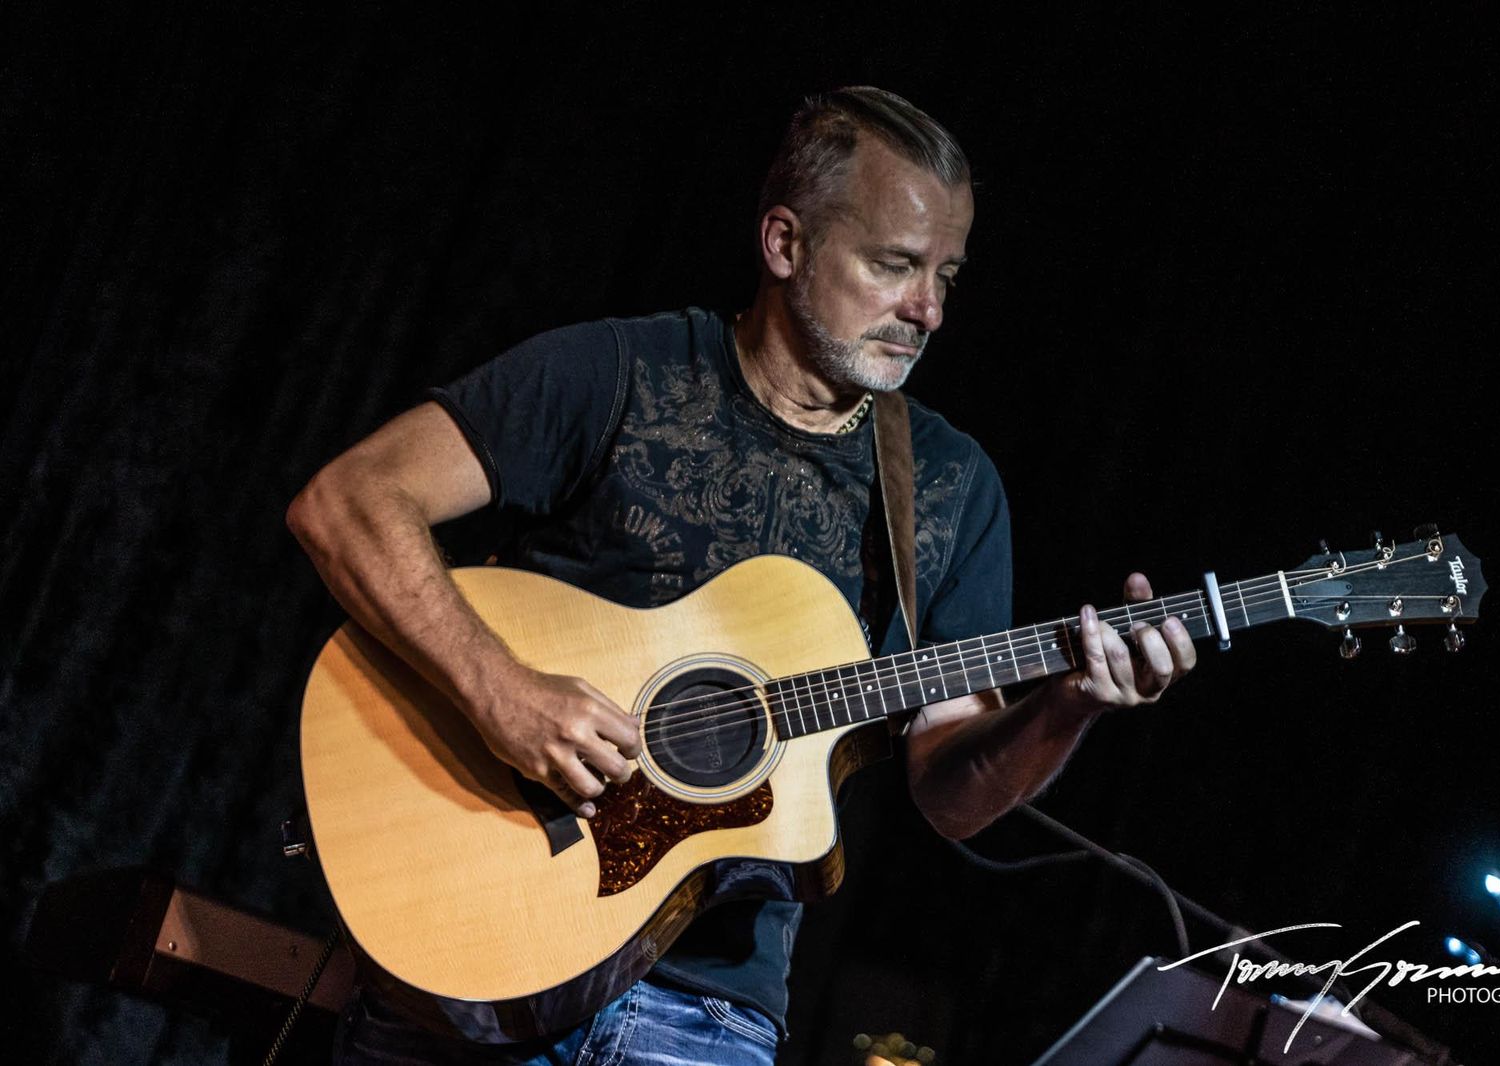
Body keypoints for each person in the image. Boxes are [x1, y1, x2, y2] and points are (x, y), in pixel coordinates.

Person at [287, 86, 1196, 1065]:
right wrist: (499, 688)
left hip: (706, 1020)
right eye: (894, 265)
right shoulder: (621, 372)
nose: (928, 310)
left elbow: (951, 796)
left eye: (946, 275)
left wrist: (1066, 706)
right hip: (479, 947)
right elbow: (348, 502)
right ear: (784, 243)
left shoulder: (951, 487)